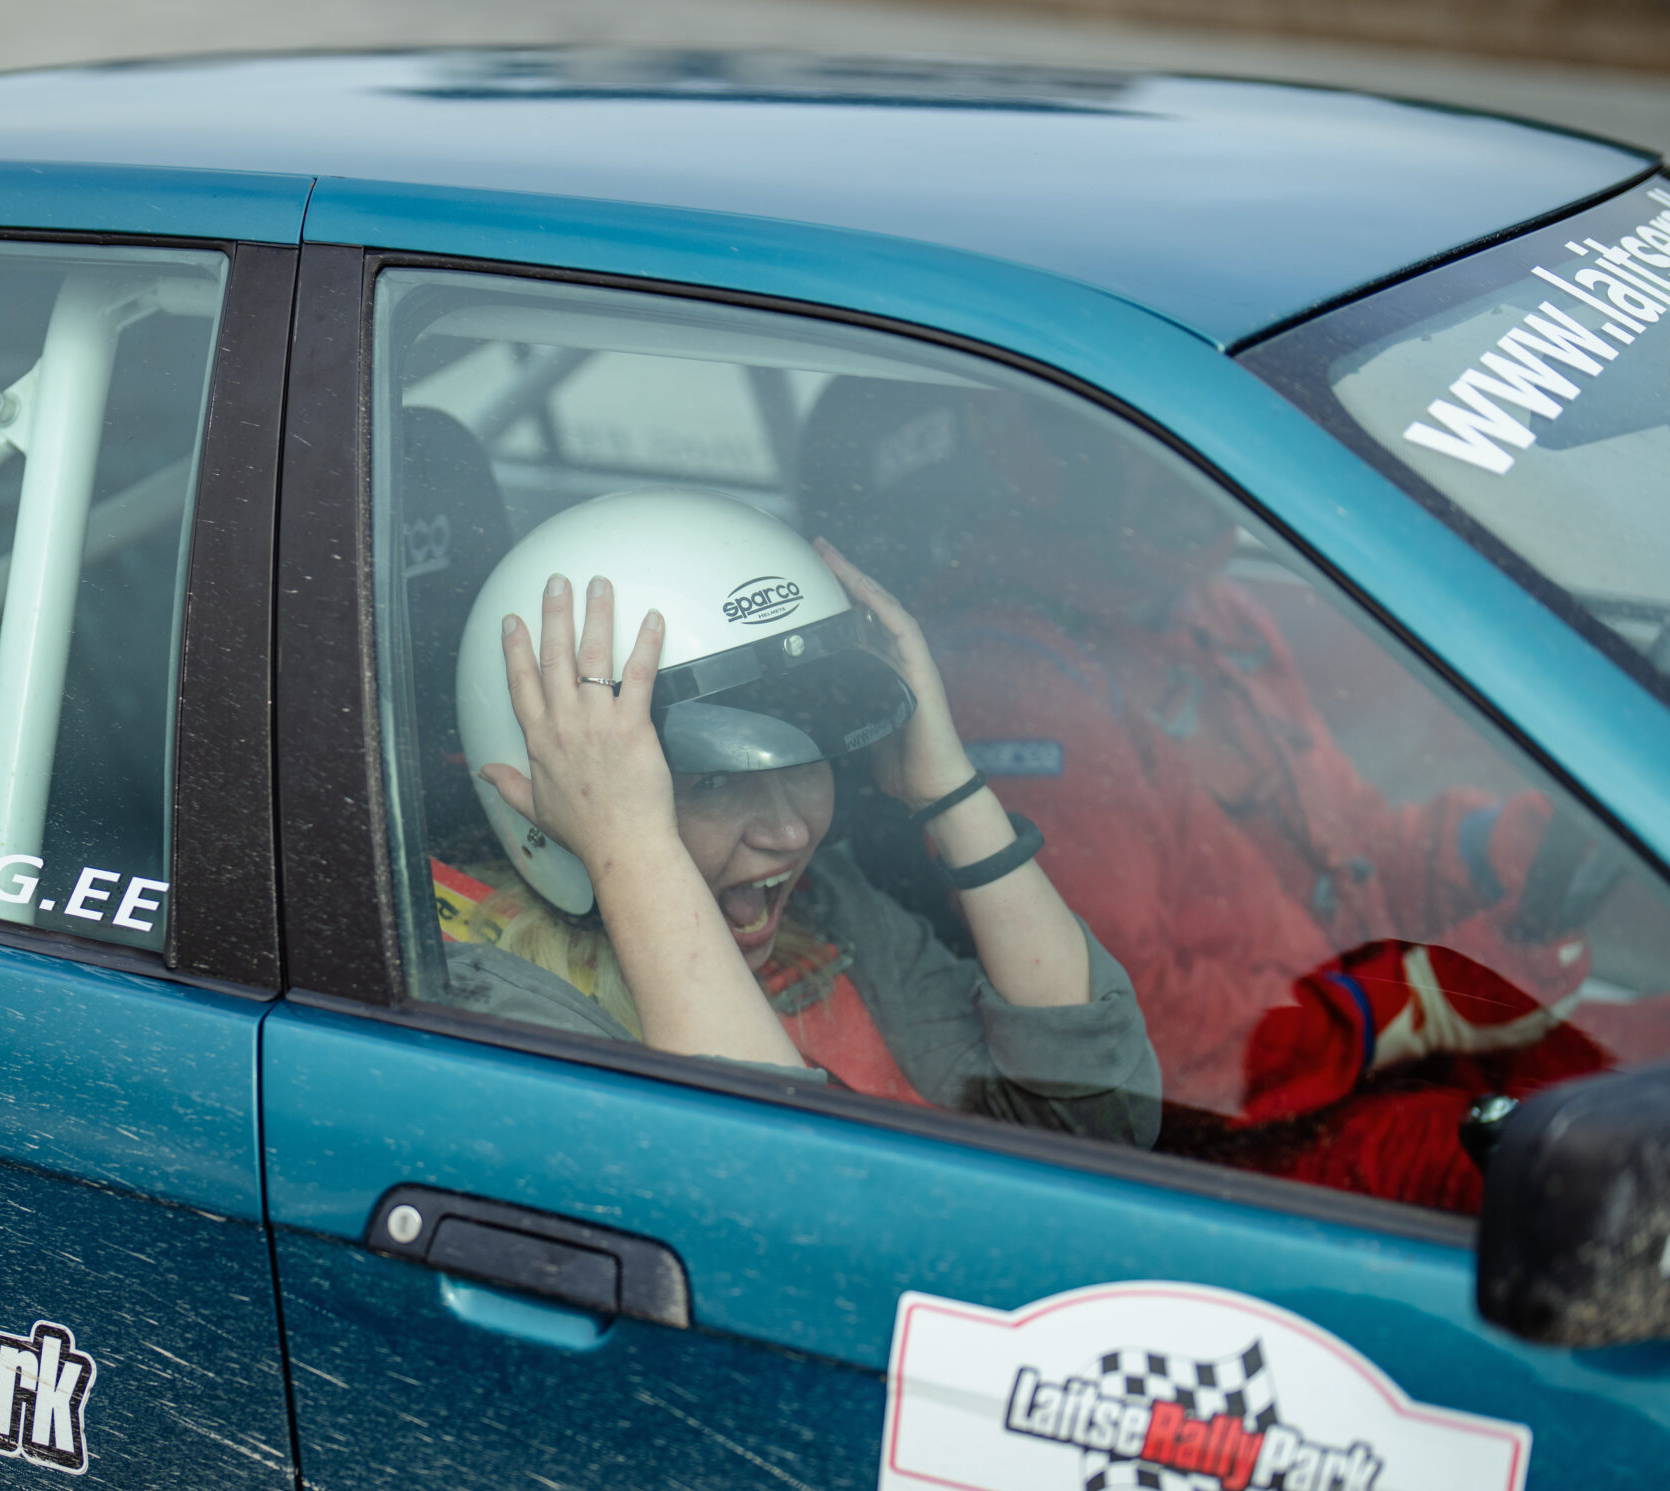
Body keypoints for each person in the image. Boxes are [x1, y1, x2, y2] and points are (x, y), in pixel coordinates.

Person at [797, 379, 1670, 1212]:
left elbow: (1352, 841)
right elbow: (1159, 1039)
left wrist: (1497, 843)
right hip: (1259, 1146)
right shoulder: (1020, 685)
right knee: (1669, 1154)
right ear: (1052, 460)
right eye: (1150, 459)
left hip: (1362, 1057)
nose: (1192, 495)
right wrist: (1421, 1000)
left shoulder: (1207, 616)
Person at [429, 485, 1161, 1149]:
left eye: (808, 758)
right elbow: (775, 1194)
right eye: (715, 781)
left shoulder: (830, 916)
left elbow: (1099, 1122)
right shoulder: (493, 1015)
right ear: (566, 784)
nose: (789, 832)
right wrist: (633, 851)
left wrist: (946, 787)